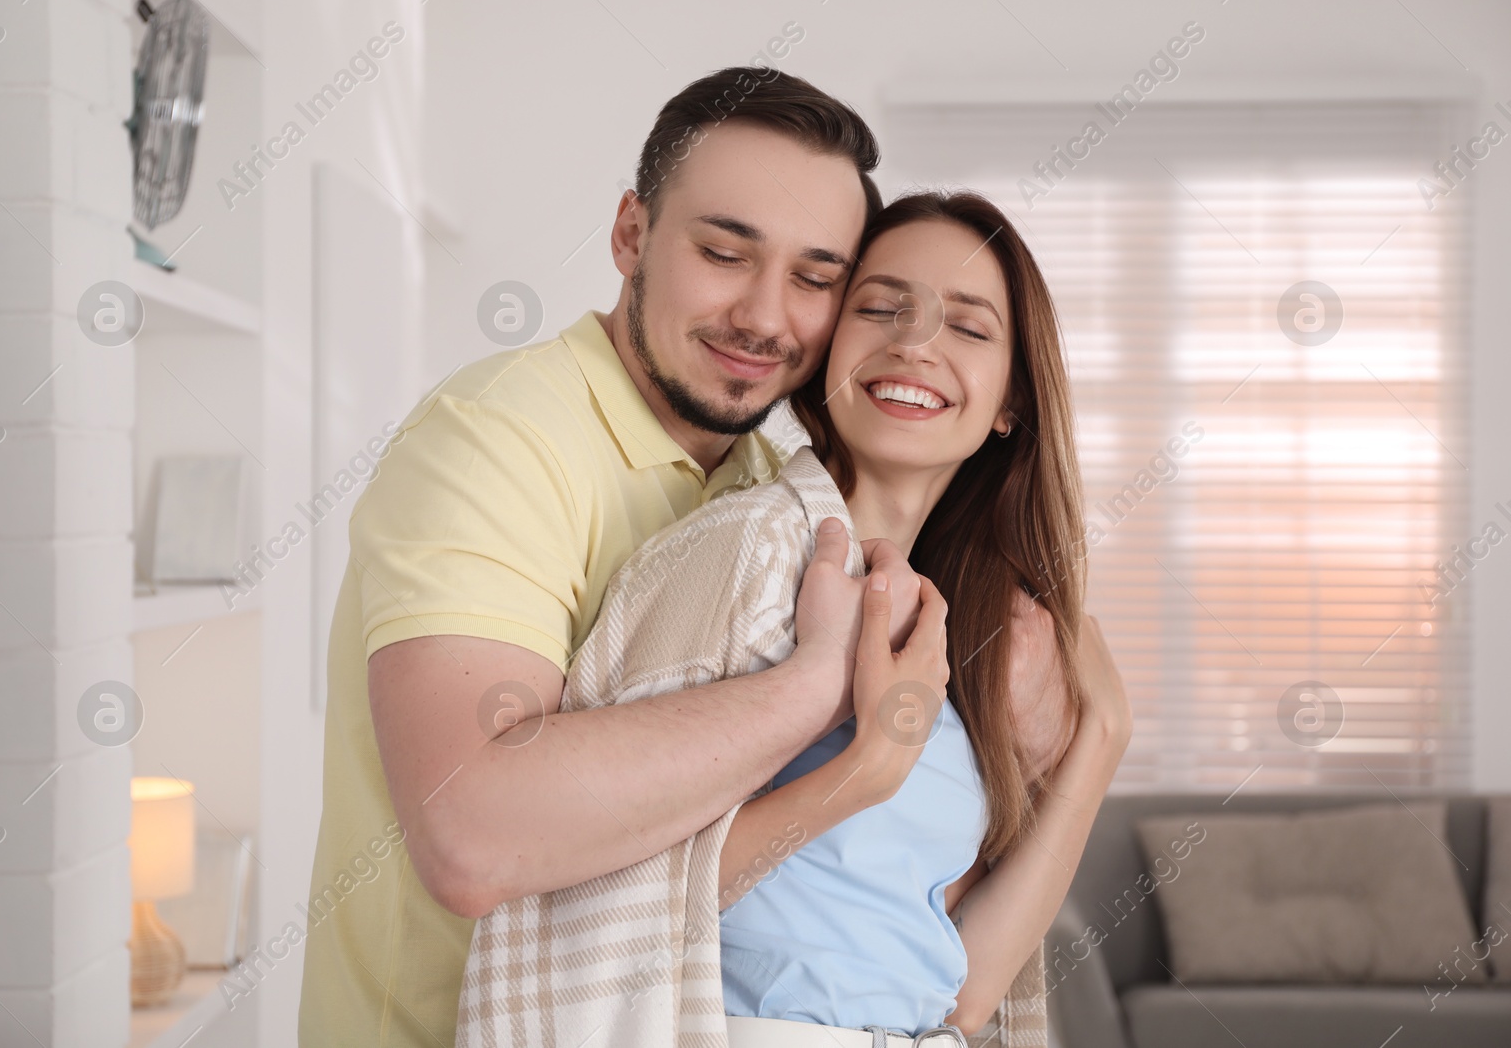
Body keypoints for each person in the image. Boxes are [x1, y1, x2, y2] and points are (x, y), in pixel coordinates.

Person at [299, 67, 1054, 1047]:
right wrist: (820, 695)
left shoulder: (767, 489)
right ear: (630, 234)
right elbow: (472, 835)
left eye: (817, 278)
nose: (764, 316)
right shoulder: (497, 438)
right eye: (723, 251)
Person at [458, 190, 1132, 1047]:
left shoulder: (940, 641)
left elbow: (963, 990)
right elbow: (593, 898)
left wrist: (1102, 739)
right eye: (881, 307)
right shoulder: (751, 553)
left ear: (1011, 405)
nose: (914, 343)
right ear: (826, 356)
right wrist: (863, 770)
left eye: (967, 327)